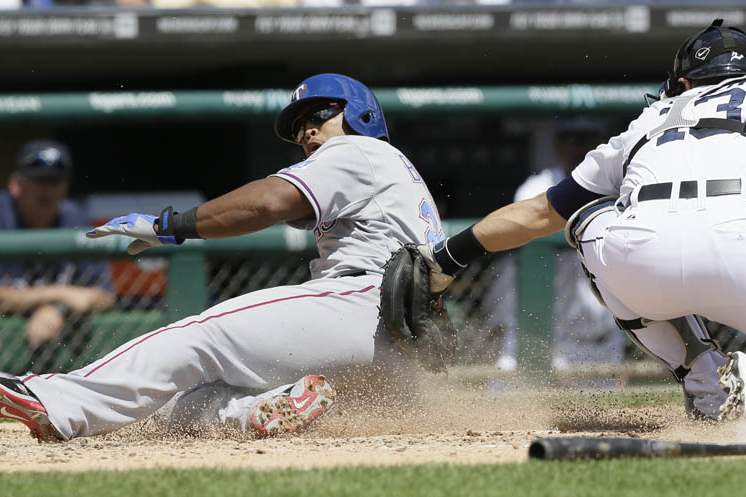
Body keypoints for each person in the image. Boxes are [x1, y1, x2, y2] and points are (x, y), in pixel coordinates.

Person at [0, 74, 445, 441]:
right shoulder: (394, 171)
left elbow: (268, 202)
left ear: (362, 115)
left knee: (200, 336)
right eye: (298, 126)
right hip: (395, 351)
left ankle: (56, 400)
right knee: (179, 400)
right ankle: (251, 413)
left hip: (358, 303)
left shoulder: (358, 150)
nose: (306, 130)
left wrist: (167, 226)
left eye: (320, 114)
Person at [419, 19, 746, 421]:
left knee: (586, 217)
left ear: (682, 84)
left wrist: (449, 255)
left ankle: (707, 382)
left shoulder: (651, 119)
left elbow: (541, 213)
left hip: (645, 267)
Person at [488, 119, 624, 371]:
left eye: (587, 140)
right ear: (558, 145)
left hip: (595, 335)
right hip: (538, 330)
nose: (578, 148)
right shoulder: (537, 188)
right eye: (571, 140)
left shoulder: (620, 188)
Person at [0, 140, 114, 373]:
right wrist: (59, 294)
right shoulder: (3, 215)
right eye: (38, 180)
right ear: (16, 184)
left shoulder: (73, 218)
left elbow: (105, 295)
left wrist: (56, 308)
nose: (47, 191)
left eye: (54, 181)